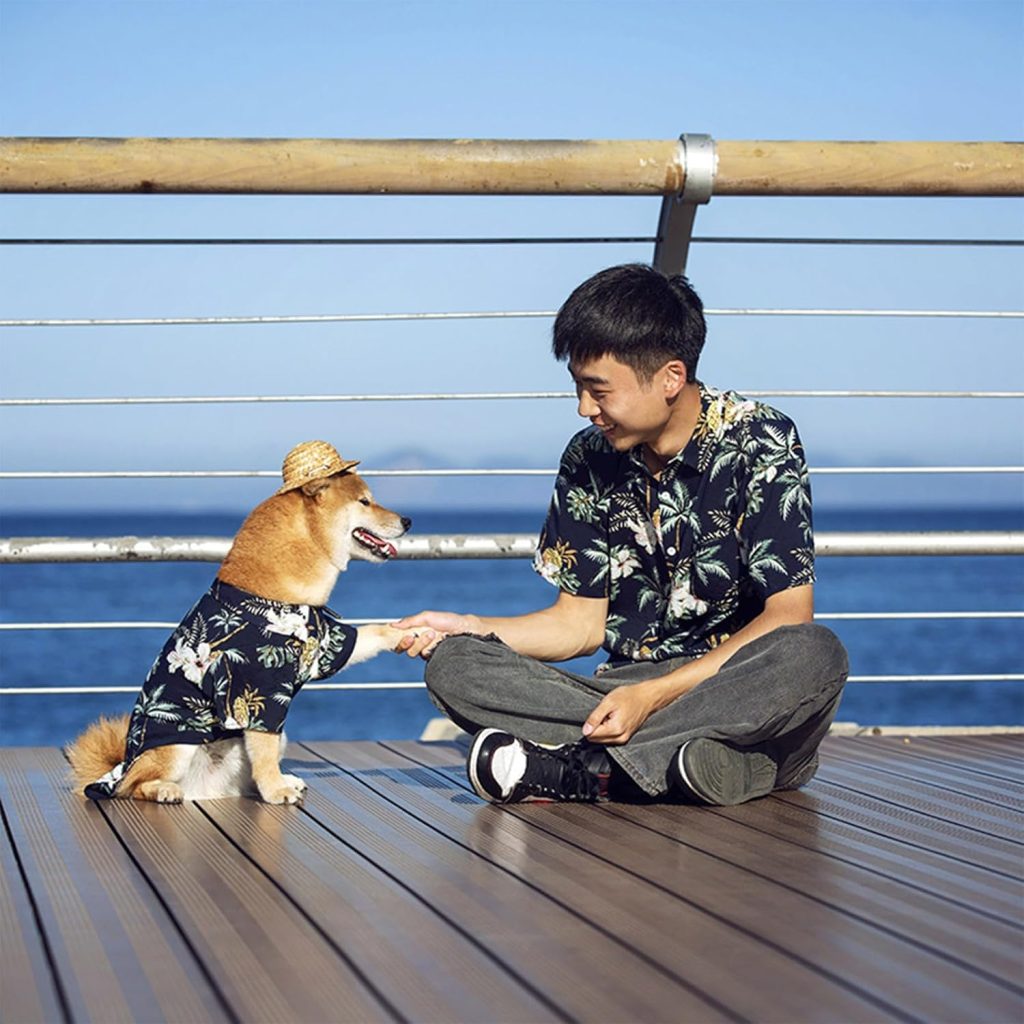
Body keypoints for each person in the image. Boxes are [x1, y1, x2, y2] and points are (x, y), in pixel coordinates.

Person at [396, 263, 849, 806]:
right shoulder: (588, 458)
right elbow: (578, 624)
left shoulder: (761, 440)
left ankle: (585, 768)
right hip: (619, 690)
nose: (585, 408)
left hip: (733, 688)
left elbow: (788, 618)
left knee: (814, 654)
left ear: (670, 378)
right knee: (456, 664)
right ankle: (693, 767)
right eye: (579, 388)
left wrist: (654, 696)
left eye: (598, 390)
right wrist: (469, 627)